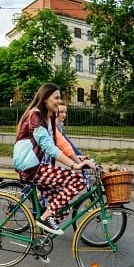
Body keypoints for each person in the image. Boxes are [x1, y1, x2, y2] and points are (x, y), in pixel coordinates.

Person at [12, 83, 95, 234]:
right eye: (56, 98)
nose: (59, 101)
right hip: (32, 167)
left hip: (42, 167)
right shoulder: (35, 116)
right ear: (45, 99)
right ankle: (44, 218)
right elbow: (48, 147)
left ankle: (41, 240)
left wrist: (78, 159)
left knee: (61, 207)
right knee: (78, 180)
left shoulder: (49, 119)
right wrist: (74, 166)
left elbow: (61, 143)